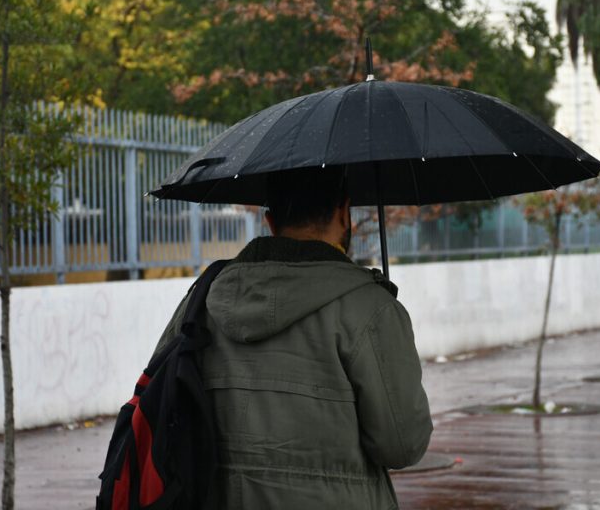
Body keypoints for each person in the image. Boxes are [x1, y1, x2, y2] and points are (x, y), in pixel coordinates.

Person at [151, 167, 432, 509]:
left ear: (269, 221)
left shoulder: (202, 302)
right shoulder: (370, 308)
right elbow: (402, 445)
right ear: (345, 213)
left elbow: (160, 409)